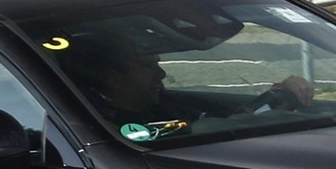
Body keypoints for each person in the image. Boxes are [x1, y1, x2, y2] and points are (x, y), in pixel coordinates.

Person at [59, 35, 314, 132]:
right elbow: (209, 130)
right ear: (114, 78)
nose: (160, 75)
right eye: (147, 67)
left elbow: (229, 122)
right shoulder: (110, 129)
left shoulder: (168, 106)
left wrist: (275, 95)